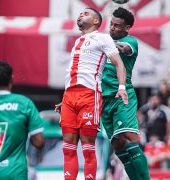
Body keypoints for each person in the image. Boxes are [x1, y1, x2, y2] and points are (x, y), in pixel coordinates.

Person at [54, 7, 128, 180]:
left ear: (96, 21)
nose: (81, 14)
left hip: (89, 95)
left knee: (87, 145)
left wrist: (122, 88)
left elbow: (119, 64)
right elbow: (75, 72)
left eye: (85, 13)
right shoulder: (76, 42)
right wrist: (65, 98)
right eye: (80, 13)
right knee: (68, 146)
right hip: (69, 97)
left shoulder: (103, 38)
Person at [101, 7, 150, 179]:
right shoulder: (103, 40)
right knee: (118, 144)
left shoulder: (131, 41)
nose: (112, 27)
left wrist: (103, 42)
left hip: (121, 95)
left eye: (117, 25)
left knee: (129, 135)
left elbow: (125, 48)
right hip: (103, 99)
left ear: (127, 28)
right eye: (111, 24)